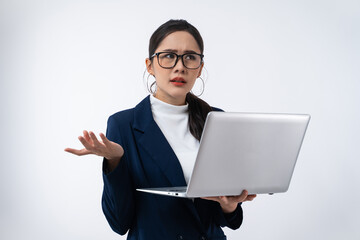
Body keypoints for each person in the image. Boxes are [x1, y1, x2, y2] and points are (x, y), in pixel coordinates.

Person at [65, 19, 256, 240]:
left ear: (200, 68)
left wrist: (229, 207)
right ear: (150, 65)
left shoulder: (216, 120)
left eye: (190, 57)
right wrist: (115, 161)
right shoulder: (123, 124)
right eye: (168, 56)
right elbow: (119, 223)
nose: (180, 66)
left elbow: (225, 220)